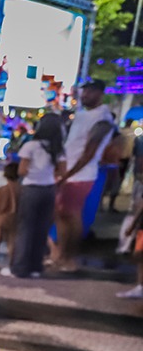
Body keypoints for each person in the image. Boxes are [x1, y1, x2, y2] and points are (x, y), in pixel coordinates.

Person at [54, 80, 116, 272]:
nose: (85, 94)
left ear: (100, 93)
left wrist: (66, 175)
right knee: (62, 215)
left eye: (90, 91)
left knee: (72, 216)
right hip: (68, 172)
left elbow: (89, 152)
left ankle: (70, 258)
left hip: (81, 175)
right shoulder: (82, 115)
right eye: (84, 91)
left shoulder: (103, 118)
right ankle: (61, 255)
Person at [7, 114, 67, 278]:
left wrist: (34, 172)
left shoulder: (31, 146)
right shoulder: (58, 149)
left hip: (31, 188)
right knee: (41, 229)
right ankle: (35, 266)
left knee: (25, 228)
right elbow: (63, 172)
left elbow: (21, 171)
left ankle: (19, 268)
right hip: (49, 189)